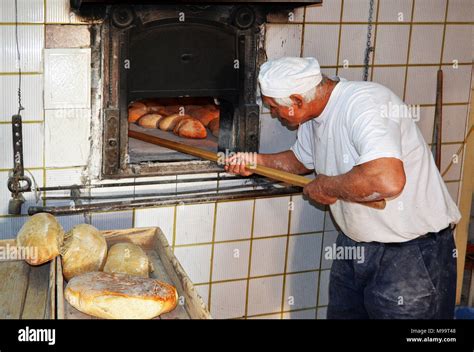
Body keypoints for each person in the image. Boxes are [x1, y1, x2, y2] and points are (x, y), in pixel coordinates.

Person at [225, 57, 461, 319]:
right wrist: (257, 163)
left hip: (410, 256)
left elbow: (387, 180)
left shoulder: (365, 104)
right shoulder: (313, 116)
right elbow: (300, 161)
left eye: (273, 107)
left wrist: (327, 185)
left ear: (298, 101)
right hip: (355, 247)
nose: (273, 113)